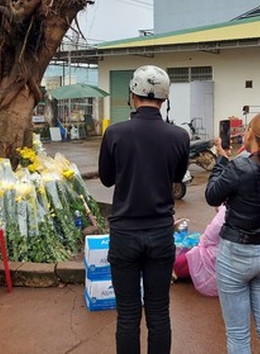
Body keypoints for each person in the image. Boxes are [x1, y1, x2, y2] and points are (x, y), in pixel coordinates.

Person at [98, 65, 190, 354]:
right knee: (159, 313)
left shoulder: (115, 133)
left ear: (133, 94)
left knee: (127, 315)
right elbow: (177, 177)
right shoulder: (179, 136)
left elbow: (107, 178)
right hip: (160, 233)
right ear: (164, 98)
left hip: (124, 233)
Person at [205, 112, 260, 354]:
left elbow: (212, 196)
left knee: (238, 333)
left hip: (236, 252)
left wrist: (221, 160)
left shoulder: (239, 166)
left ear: (250, 134)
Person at [172, 205, 225, 297]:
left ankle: (174, 271)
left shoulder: (229, 210)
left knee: (182, 260)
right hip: (245, 261)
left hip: (220, 262)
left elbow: (209, 237)